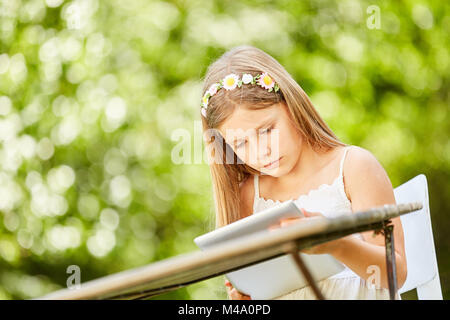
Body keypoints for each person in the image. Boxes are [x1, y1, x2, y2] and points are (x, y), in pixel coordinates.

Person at [199, 45, 407, 300]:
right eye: (241, 144)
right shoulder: (248, 197)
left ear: (291, 105)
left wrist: (337, 244)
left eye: (266, 130)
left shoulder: (353, 167)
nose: (261, 151)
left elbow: (395, 272)